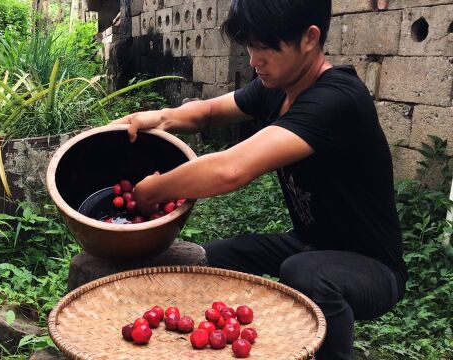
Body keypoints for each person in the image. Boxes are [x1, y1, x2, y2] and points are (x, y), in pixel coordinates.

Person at [110, 0, 407, 358]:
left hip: (371, 266)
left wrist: (153, 191)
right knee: (206, 258)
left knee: (306, 273)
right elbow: (207, 112)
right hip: (311, 243)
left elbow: (230, 169)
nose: (253, 60)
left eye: (265, 47)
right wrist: (157, 118)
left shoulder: (338, 99)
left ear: (310, 38)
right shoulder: (277, 87)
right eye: (250, 46)